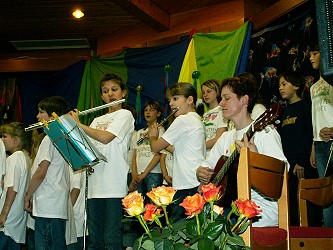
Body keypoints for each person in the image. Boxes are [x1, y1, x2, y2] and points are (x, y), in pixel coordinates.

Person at [196, 76, 288, 227]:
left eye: (226, 98)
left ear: (244, 100)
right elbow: (205, 166)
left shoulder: (265, 133)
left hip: (260, 212)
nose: (220, 103)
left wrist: (256, 158)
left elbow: (282, 174)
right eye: (221, 99)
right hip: (229, 208)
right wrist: (200, 172)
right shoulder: (226, 137)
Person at [69, 73, 135, 249]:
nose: (110, 94)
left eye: (114, 89)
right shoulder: (97, 119)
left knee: (111, 238)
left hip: (113, 185)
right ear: (101, 96)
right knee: (95, 239)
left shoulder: (125, 115)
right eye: (105, 91)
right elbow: (87, 149)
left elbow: (105, 138)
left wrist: (78, 125)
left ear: (123, 92)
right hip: (93, 187)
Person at [148, 82, 205, 222]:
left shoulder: (183, 120)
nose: (171, 104)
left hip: (186, 183)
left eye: (175, 98)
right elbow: (177, 149)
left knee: (179, 229)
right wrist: (163, 140)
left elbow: (155, 147)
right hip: (194, 181)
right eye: (169, 100)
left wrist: (153, 135)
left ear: (190, 100)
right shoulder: (197, 119)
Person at [24, 96, 71, 249]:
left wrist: (27, 195)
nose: (37, 116)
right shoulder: (62, 136)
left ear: (52, 116)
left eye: (41, 112)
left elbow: (40, 172)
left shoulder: (49, 137)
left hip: (48, 204)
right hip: (56, 203)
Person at [277, 71, 321, 226]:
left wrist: (301, 162)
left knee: (308, 207)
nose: (280, 88)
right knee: (292, 207)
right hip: (289, 168)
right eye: (279, 85)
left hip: (303, 166)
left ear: (296, 86)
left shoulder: (305, 107)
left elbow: (310, 134)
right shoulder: (283, 112)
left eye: (284, 84)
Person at [309, 43, 333, 228]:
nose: (311, 57)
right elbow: (315, 118)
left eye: (315, 53)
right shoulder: (313, 87)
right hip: (319, 145)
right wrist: (313, 147)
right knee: (325, 192)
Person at [0, 122, 32, 248]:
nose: (2, 139)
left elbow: (12, 188)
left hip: (8, 221)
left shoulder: (15, 158)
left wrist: (4, 213)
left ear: (15, 140)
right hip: (16, 219)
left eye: (4, 136)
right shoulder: (25, 157)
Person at [130, 100, 164, 200]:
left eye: (151, 110)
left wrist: (145, 173)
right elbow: (135, 154)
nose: (148, 112)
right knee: (140, 204)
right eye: (145, 110)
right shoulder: (139, 132)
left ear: (158, 113)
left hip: (153, 173)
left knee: (153, 205)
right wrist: (134, 174)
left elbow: (158, 155)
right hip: (138, 175)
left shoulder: (160, 130)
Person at [201, 79, 228, 157]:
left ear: (217, 92)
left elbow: (218, 139)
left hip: (215, 156)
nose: (205, 95)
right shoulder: (204, 115)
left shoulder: (222, 111)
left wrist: (197, 147)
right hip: (203, 156)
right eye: (203, 93)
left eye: (209, 91)